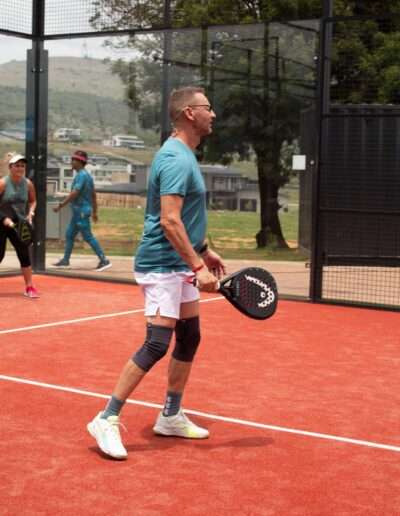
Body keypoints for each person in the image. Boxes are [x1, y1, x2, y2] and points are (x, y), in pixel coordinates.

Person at [87, 86, 226, 459]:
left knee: (189, 336)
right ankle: (106, 418)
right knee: (157, 343)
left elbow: (185, 220)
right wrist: (198, 266)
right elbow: (169, 220)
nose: (213, 114)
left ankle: (170, 415)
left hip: (179, 263)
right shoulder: (176, 158)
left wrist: (203, 250)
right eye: (208, 107)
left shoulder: (184, 154)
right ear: (189, 113)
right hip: (163, 265)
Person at [53, 150, 111, 271]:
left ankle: (104, 260)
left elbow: (75, 193)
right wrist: (95, 212)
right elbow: (93, 195)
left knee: (88, 237)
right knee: (69, 235)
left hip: (81, 212)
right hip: (79, 212)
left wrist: (61, 205)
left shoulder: (81, 176)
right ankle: (65, 260)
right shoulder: (86, 176)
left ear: (80, 162)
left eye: (73, 160)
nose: (71, 162)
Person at [0, 153, 39, 298]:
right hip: (1, 222)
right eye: (17, 165)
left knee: (24, 254)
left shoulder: (28, 184)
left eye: (22, 166)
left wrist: (31, 213)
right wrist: (4, 219)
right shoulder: (3, 183)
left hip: (19, 223)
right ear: (10, 167)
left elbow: (33, 201)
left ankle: (29, 287)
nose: (20, 168)